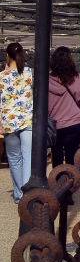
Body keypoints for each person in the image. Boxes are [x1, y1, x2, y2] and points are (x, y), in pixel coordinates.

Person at [48, 47, 80, 167]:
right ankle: (71, 182)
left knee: (56, 158)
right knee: (72, 157)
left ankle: (58, 182)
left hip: (55, 125)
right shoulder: (76, 78)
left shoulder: (47, 80)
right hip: (73, 123)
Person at [1, 43, 33, 203]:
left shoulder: (1, 77)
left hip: (8, 123)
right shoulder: (29, 73)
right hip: (27, 121)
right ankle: (28, 193)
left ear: (8, 56)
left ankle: (19, 195)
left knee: (14, 159)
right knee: (28, 157)